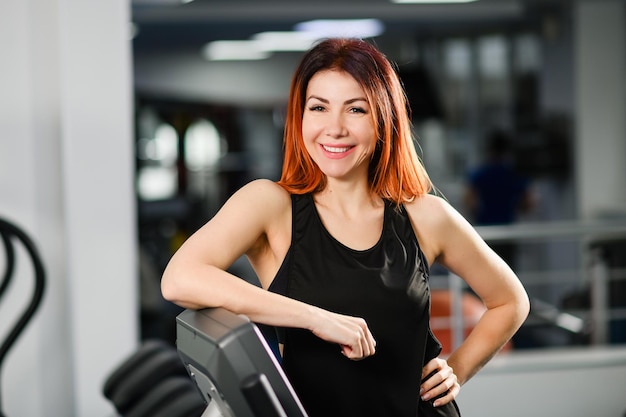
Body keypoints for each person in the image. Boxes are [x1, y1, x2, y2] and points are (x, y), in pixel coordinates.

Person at [161, 38, 530, 417]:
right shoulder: (269, 205)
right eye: (318, 107)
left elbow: (510, 301)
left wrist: (458, 368)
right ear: (300, 116)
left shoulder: (426, 215)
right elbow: (180, 279)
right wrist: (316, 318)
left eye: (356, 109)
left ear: (383, 118)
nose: (334, 128)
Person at [464, 129, 535, 267]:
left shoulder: (480, 173)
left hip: (485, 231)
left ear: (490, 149)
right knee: (507, 273)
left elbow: (469, 201)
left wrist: (476, 213)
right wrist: (515, 207)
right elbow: (529, 201)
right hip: (507, 232)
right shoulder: (513, 174)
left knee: (483, 273)